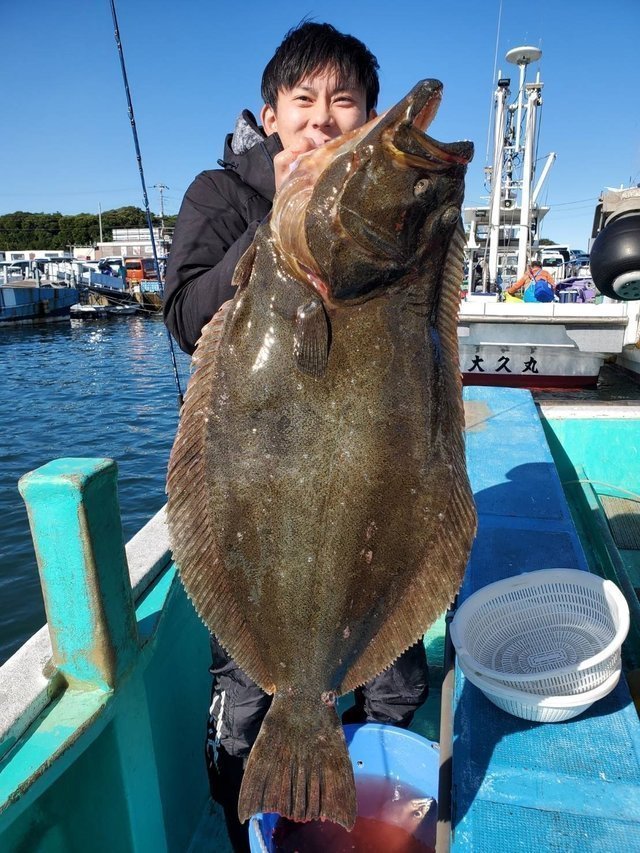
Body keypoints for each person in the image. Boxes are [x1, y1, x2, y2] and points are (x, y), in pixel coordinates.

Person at [164, 22, 429, 852]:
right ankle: (251, 823)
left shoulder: (386, 205)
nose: (322, 118)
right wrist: (275, 214)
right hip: (258, 490)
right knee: (245, 719)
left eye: (343, 101)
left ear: (365, 116)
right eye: (304, 100)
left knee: (394, 685)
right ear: (272, 112)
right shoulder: (221, 196)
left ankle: (382, 798)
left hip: (367, 492)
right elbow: (181, 317)